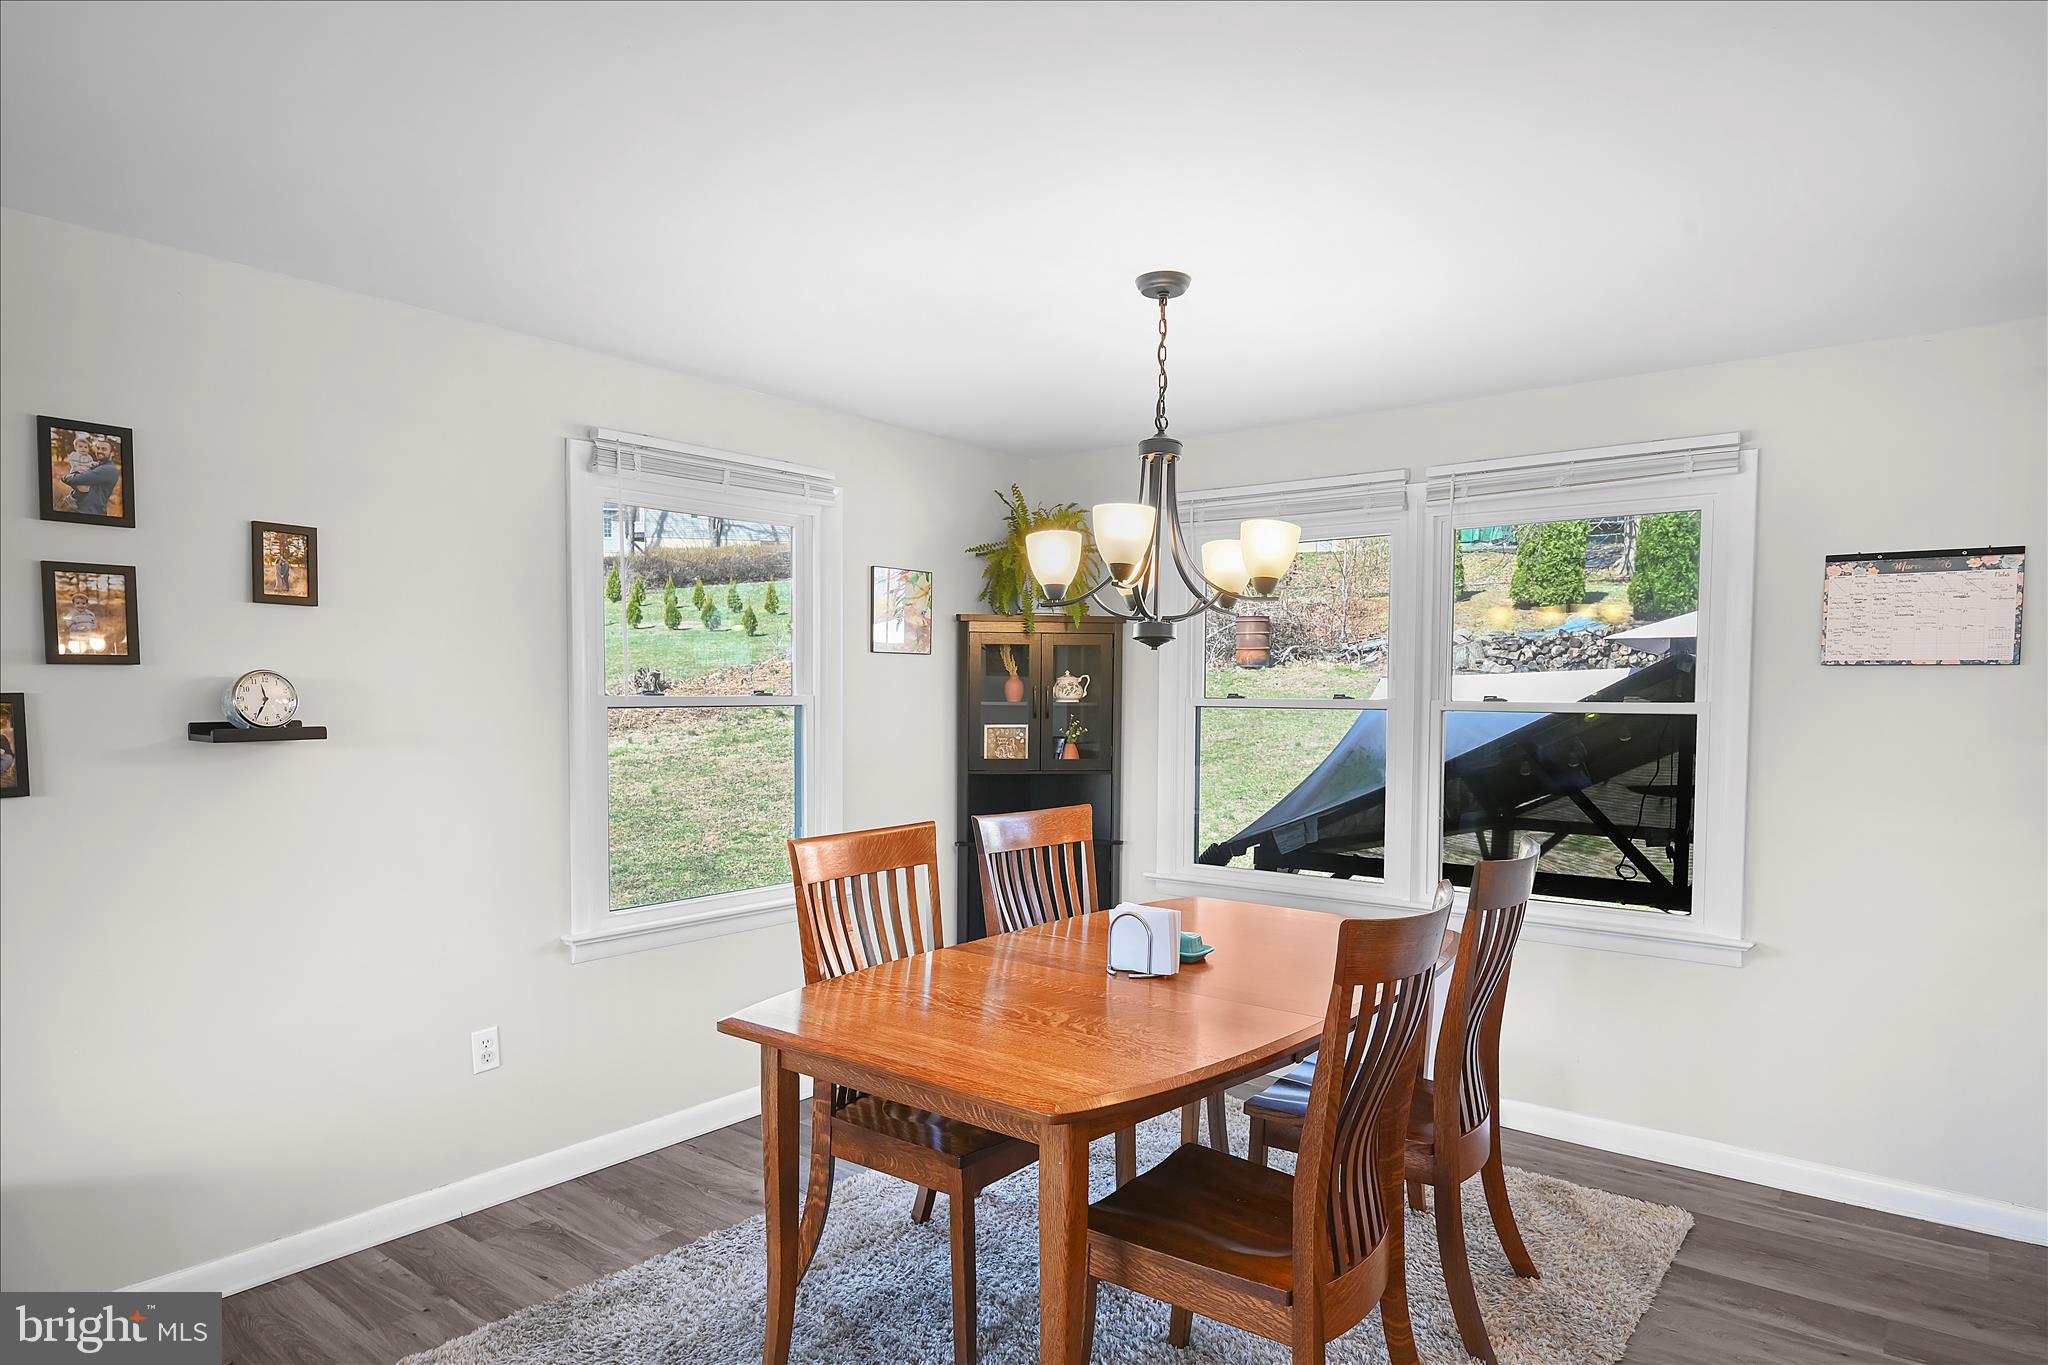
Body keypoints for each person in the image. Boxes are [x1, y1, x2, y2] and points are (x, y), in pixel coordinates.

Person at [59, 438, 120, 518]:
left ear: (112, 453)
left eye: (104, 449)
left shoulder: (108, 469)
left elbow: (79, 479)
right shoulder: (95, 465)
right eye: (98, 448)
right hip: (78, 509)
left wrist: (64, 477)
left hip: (91, 512)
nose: (100, 451)